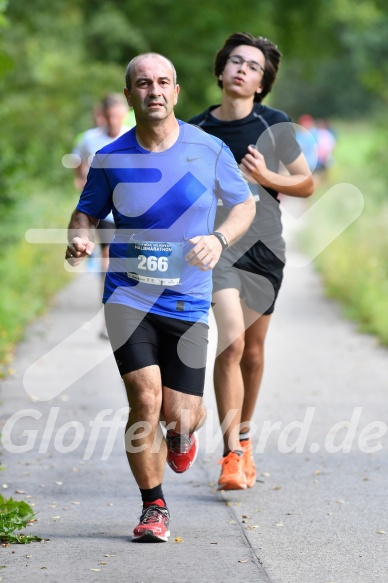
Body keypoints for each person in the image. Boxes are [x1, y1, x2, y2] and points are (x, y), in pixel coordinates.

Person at [65, 52, 255, 542]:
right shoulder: (112, 157)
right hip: (129, 297)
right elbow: (84, 212)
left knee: (180, 413)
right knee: (144, 398)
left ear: (176, 92)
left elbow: (243, 205)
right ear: (129, 95)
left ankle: (181, 433)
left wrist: (219, 240)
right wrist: (80, 237)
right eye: (143, 83)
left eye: (163, 82)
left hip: (187, 301)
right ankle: (154, 507)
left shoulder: (209, 150)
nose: (153, 90)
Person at [189, 32, 314, 491]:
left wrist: (266, 176)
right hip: (218, 248)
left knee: (255, 354)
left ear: (262, 82)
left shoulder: (275, 124)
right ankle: (231, 455)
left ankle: (244, 435)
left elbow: (305, 183)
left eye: (253, 66)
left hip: (264, 250)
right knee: (232, 345)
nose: (242, 69)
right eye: (235, 62)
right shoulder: (197, 130)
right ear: (221, 71)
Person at [72, 94, 132, 337]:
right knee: (108, 259)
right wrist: (82, 178)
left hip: (131, 211)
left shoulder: (134, 134)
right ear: (103, 116)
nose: (114, 121)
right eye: (110, 116)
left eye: (118, 116)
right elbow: (78, 161)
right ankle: (109, 318)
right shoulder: (90, 138)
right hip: (104, 212)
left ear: (124, 115)